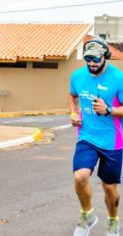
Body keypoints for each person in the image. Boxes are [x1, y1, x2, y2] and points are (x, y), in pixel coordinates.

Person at [69, 38, 123, 236]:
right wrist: (73, 114)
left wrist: (108, 110)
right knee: (80, 176)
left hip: (113, 140)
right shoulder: (77, 76)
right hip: (87, 136)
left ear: (105, 56)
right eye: (88, 59)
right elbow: (72, 96)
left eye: (96, 59)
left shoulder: (119, 78)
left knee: (109, 188)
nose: (91, 63)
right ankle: (87, 216)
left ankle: (113, 222)